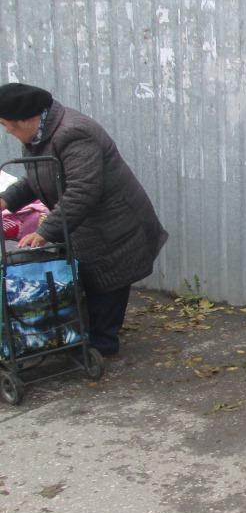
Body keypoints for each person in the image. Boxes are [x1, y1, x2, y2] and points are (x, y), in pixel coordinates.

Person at [0, 83, 168, 356]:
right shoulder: (38, 136)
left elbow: (83, 190)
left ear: (27, 118)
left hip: (114, 224)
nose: (7, 131)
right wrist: (6, 200)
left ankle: (101, 346)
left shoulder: (74, 133)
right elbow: (37, 177)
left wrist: (46, 231)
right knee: (89, 281)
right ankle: (84, 337)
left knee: (108, 283)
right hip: (86, 224)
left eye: (8, 125)